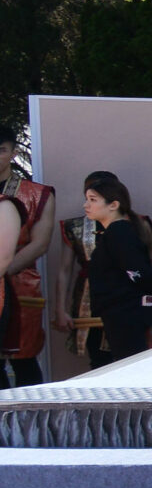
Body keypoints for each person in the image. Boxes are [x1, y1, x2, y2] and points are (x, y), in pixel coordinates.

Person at [76, 173, 152, 368]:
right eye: (86, 199)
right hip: (118, 314)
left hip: (126, 314)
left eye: (93, 200)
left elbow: (138, 272)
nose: (86, 205)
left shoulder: (120, 232)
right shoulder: (115, 233)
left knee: (131, 366)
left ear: (113, 205)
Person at [2, 133, 53, 387]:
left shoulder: (37, 193)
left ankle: (30, 423)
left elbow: (40, 243)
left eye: (1, 150)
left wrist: (3, 269)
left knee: (24, 357)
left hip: (20, 281)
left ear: (13, 153)